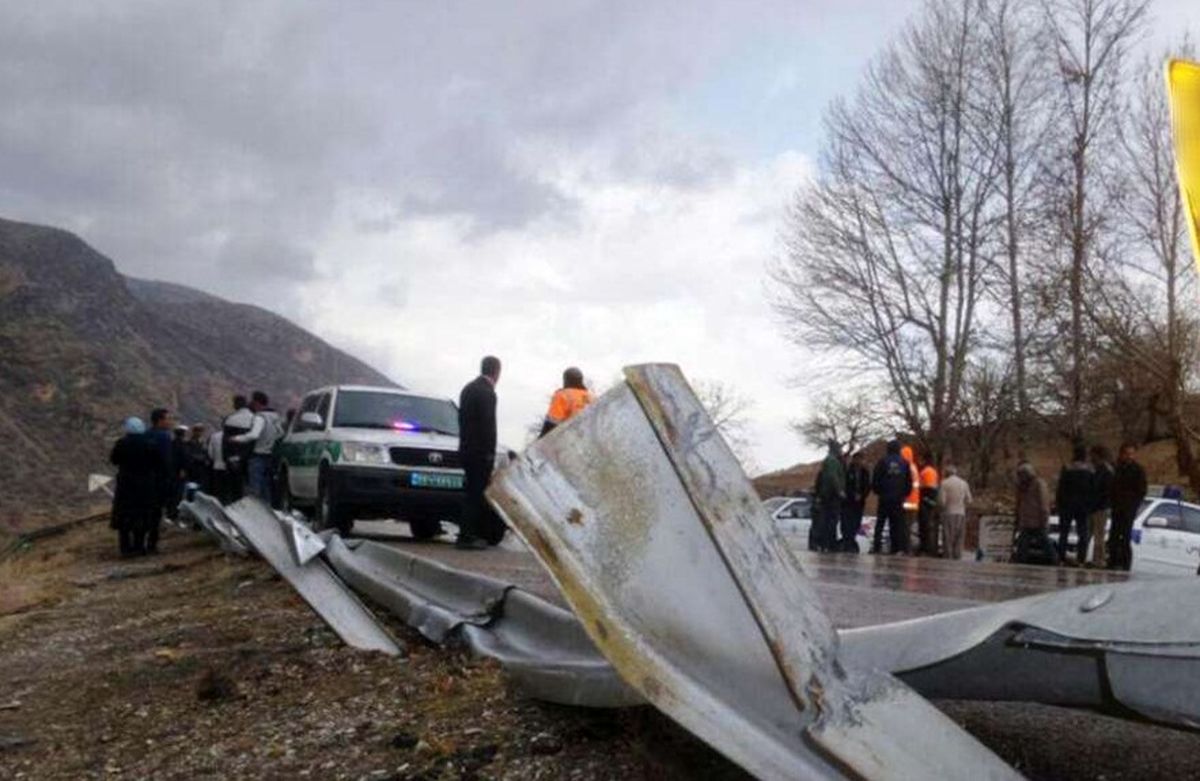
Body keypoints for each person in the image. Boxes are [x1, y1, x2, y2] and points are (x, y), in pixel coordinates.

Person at [458, 356, 504, 550]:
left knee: (470, 492)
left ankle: (467, 533)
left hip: (466, 448)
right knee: (477, 494)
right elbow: (488, 425)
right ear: (497, 372)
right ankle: (468, 536)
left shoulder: (468, 389)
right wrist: (490, 453)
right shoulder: (488, 393)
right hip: (480, 452)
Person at [109, 417, 162, 557]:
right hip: (145, 485)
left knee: (125, 518)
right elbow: (158, 462)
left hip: (126, 485)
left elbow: (114, 460)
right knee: (142, 516)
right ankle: (139, 547)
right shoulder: (150, 444)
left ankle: (125, 548)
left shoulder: (121, 443)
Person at [232, 391, 284, 504]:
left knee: (255, 489)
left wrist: (236, 438)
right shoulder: (275, 417)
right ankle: (267, 514)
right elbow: (280, 433)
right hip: (269, 456)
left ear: (256, 402)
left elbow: (254, 434)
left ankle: (255, 514)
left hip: (257, 457)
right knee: (266, 488)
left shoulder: (260, 417)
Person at [1109, 442, 1148, 571]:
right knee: (1114, 535)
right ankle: (1112, 561)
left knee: (1125, 536)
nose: (1129, 456)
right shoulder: (1117, 468)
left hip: (1129, 508)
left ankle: (1125, 564)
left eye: (1131, 454)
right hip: (1117, 507)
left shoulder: (1138, 470)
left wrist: (1133, 504)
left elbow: (1142, 490)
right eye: (1127, 454)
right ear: (1121, 454)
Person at [1055, 444, 1094, 566]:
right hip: (1083, 506)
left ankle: (1061, 557)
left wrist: (1059, 503)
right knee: (1083, 533)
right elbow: (1092, 489)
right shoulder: (1090, 470)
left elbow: (1061, 488)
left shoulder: (1067, 468)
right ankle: (1081, 558)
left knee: (1064, 533)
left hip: (1067, 505)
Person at [146, 408, 178, 553]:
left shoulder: (146, 434)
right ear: (160, 420)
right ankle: (152, 544)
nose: (169, 422)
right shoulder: (164, 437)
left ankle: (141, 542)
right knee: (156, 512)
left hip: (145, 479)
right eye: (167, 419)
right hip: (160, 480)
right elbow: (167, 461)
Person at [872, 440, 911, 555]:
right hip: (898, 499)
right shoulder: (904, 463)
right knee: (896, 524)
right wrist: (904, 494)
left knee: (880, 523)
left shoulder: (882, 461)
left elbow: (876, 479)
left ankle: (877, 547)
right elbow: (909, 482)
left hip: (884, 498)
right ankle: (896, 548)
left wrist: (878, 492)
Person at [1014, 462, 1055, 565]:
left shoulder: (1039, 484)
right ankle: (1020, 561)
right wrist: (1018, 517)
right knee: (1022, 543)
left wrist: (1044, 518)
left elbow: (1044, 502)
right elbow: (1019, 503)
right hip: (1026, 521)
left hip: (1038, 520)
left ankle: (1054, 560)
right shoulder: (1021, 487)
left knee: (1045, 541)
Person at [540, 367, 593, 437]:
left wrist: (540, 441)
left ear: (566, 380)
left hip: (567, 439)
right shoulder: (592, 397)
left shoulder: (562, 395)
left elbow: (551, 424)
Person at [812, 440, 845, 552]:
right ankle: (827, 544)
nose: (841, 451)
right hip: (831, 495)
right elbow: (832, 477)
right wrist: (839, 490)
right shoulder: (832, 461)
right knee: (830, 521)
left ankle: (825, 543)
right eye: (839, 448)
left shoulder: (830, 461)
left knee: (827, 520)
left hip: (827, 494)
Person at [222, 395, 255, 501]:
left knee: (234, 490)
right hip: (251, 459)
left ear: (236, 404)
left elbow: (226, 443)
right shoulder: (254, 419)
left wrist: (227, 458)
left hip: (234, 460)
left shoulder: (230, 419)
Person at [937, 465, 972, 560]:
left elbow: (942, 501)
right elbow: (969, 500)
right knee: (959, 538)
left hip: (949, 513)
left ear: (947, 473)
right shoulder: (964, 483)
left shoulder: (944, 483)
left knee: (948, 538)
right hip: (961, 514)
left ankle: (948, 557)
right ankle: (957, 557)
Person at [1088, 445, 1114, 568]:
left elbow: (1105, 491)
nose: (1090, 458)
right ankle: (1095, 558)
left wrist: (1098, 503)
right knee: (1097, 534)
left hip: (1101, 507)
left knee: (1099, 534)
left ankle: (1099, 559)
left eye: (1092, 455)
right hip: (1095, 506)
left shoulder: (1106, 471)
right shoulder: (1097, 470)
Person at [841, 451, 871, 553]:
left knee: (856, 523)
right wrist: (852, 495)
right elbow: (845, 486)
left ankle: (851, 541)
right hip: (848, 502)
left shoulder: (865, 472)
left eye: (861, 459)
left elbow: (867, 487)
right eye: (857, 459)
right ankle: (846, 542)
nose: (859, 461)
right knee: (846, 523)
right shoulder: (848, 471)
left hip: (859, 503)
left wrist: (862, 496)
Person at [917, 453, 940, 555]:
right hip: (932, 499)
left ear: (925, 461)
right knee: (929, 526)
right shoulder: (934, 472)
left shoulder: (924, 472)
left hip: (924, 499)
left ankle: (924, 548)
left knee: (924, 525)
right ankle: (929, 548)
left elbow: (921, 488)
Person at [901, 445, 920, 553]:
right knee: (908, 527)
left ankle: (906, 549)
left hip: (907, 502)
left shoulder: (907, 467)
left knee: (905, 528)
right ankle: (908, 549)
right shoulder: (914, 467)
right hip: (914, 503)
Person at [207, 427, 228, 503]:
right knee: (225, 490)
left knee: (216, 488)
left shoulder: (214, 436)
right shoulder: (233, 436)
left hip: (216, 465)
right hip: (228, 467)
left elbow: (210, 452)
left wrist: (215, 459)